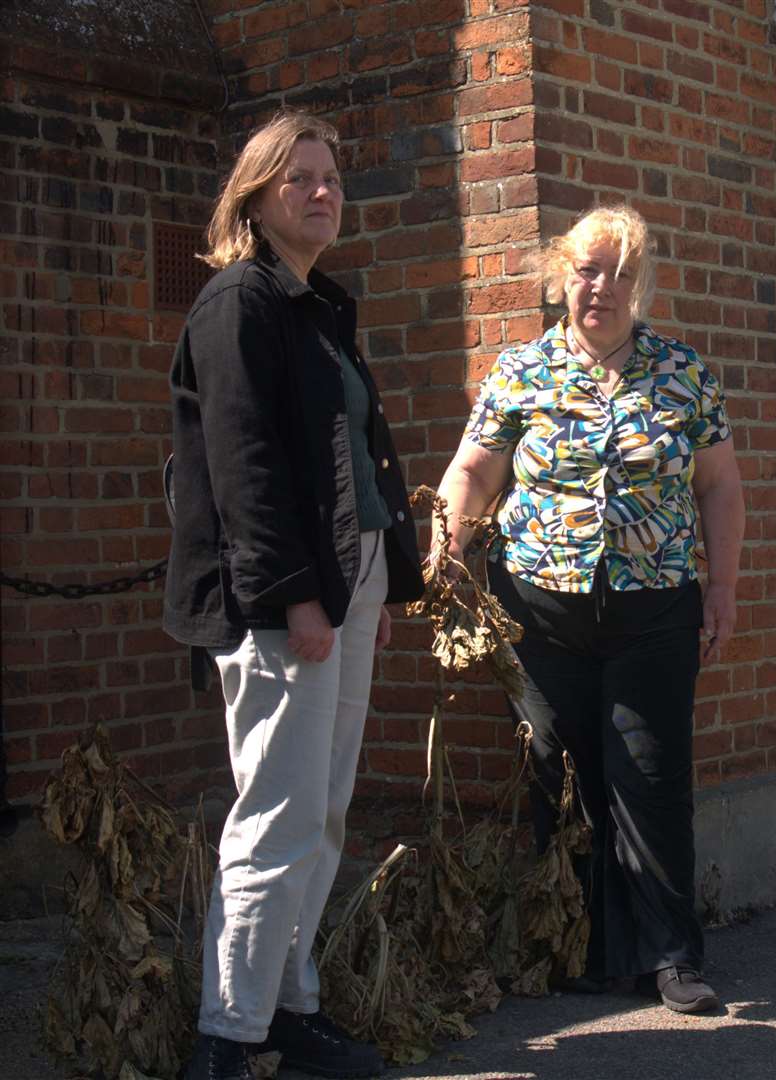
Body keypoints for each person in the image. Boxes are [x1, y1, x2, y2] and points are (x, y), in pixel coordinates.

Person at [433, 205, 746, 1014]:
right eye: (585, 269)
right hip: (541, 613)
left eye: (619, 272)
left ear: (641, 286)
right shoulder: (521, 371)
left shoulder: (684, 374)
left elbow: (719, 487)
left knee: (650, 778)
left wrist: (723, 587)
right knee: (559, 777)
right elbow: (473, 473)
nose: (600, 286)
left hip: (653, 611)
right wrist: (444, 550)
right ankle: (576, 948)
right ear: (561, 277)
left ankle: (671, 957)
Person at [163, 111, 423, 1080]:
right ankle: (226, 1036)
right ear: (255, 199)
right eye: (298, 179)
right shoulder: (239, 305)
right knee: (274, 811)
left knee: (323, 809)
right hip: (286, 595)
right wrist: (296, 599)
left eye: (331, 178)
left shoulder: (317, 307)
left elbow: (348, 461)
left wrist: (378, 585)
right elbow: (246, 472)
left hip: (346, 578)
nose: (323, 192)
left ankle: (285, 1006)